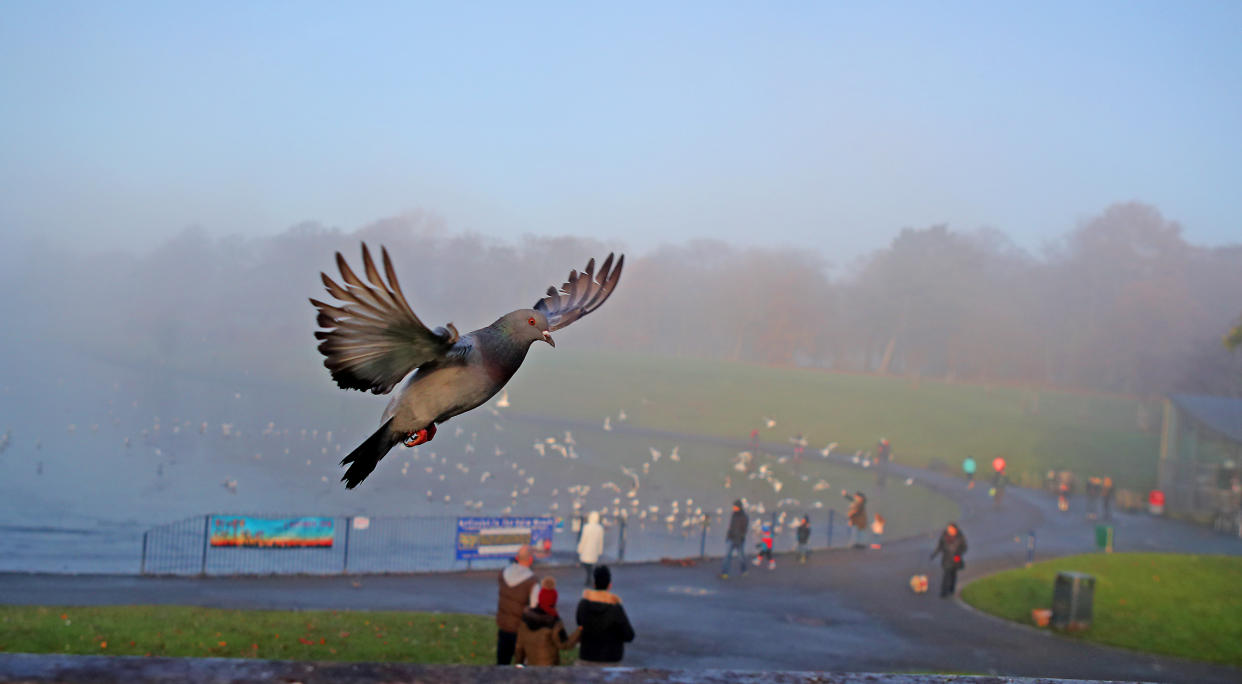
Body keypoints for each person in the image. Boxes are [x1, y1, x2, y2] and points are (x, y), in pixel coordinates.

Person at [514, 577, 581, 666]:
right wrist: (579, 630)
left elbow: (519, 647)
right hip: (549, 668)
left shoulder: (525, 619)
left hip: (531, 666)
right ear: (554, 601)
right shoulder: (554, 623)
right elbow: (564, 644)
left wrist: (519, 665)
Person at [576, 565, 635, 665]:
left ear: (594, 584)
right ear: (609, 585)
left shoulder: (584, 604)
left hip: (587, 655)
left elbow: (579, 622)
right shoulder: (615, 608)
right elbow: (629, 635)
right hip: (611, 657)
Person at [496, 544, 540, 665]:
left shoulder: (503, 573)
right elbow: (535, 607)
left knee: (502, 662)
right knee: (521, 664)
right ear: (530, 560)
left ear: (517, 557)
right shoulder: (532, 581)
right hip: (520, 629)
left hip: (504, 625)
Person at [930, 523, 967, 598]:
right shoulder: (944, 536)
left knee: (953, 574)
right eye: (949, 529)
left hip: (956, 558)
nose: (949, 530)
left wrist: (958, 554)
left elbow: (964, 547)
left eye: (951, 529)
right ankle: (944, 592)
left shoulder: (960, 537)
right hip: (946, 558)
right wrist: (934, 554)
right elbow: (940, 546)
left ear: (955, 529)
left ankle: (951, 589)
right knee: (946, 575)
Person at [720, 499, 749, 578]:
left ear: (738, 507)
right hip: (731, 538)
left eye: (735, 506)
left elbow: (744, 528)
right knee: (727, 556)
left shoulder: (744, 517)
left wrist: (741, 537)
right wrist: (728, 536)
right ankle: (724, 572)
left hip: (739, 539)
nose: (734, 508)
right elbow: (731, 527)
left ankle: (744, 570)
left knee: (741, 557)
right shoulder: (734, 515)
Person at [577, 511, 605, 588]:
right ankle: (590, 577)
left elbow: (583, 538)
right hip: (594, 549)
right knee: (591, 564)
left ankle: (589, 578)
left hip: (587, 548)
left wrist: (580, 548)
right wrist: (600, 550)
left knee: (586, 564)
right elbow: (601, 540)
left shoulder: (586, 527)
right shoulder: (600, 528)